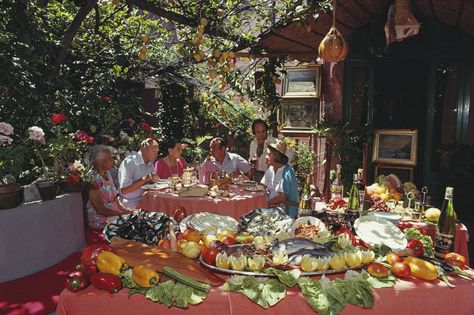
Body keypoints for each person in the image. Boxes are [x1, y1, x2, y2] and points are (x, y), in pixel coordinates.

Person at [86, 145, 134, 229]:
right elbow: (100, 210)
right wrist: (121, 214)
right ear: (100, 162)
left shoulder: (106, 172)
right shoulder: (92, 179)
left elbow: (114, 197)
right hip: (101, 220)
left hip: (113, 214)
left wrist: (123, 209)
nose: (113, 161)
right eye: (110, 159)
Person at [260, 139, 299, 218]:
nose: (266, 157)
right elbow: (261, 186)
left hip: (284, 212)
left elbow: (281, 198)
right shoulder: (271, 169)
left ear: (276, 155)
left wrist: (265, 203)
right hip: (272, 208)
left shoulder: (287, 172)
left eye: (268, 154)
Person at [118, 138, 159, 208]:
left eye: (157, 151)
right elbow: (124, 190)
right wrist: (145, 179)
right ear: (143, 149)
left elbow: (150, 183)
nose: (156, 154)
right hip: (130, 203)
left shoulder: (150, 163)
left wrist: (154, 180)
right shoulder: (130, 162)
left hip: (146, 199)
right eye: (153, 151)